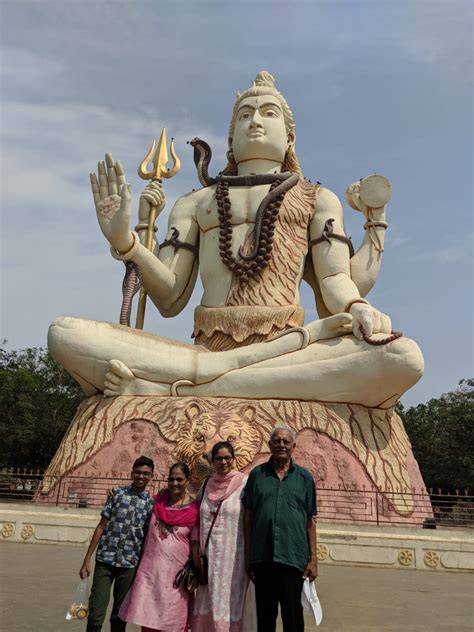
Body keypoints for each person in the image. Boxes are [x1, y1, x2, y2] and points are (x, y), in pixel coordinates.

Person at [48, 71, 423, 410]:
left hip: (288, 347)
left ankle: (177, 390)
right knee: (65, 334)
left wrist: (357, 306)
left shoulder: (316, 199)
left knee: (402, 357)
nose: (255, 121)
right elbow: (169, 297)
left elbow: (333, 281)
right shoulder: (196, 203)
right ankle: (225, 377)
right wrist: (126, 242)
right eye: (245, 115)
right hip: (203, 350)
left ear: (290, 136)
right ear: (230, 137)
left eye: (268, 113)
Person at [242, 426, 317, 632]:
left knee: (292, 615)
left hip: (293, 557)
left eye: (286, 441)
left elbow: (310, 520)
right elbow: (248, 516)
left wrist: (313, 560)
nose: (281, 445)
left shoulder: (304, 478)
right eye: (277, 441)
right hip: (263, 556)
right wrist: (249, 555)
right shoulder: (257, 475)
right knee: (265, 615)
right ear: (269, 445)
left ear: (294, 446)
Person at [118, 462, 199, 632]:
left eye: (179, 479)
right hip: (150, 574)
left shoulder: (194, 511)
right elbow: (135, 504)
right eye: (171, 479)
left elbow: (197, 544)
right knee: (149, 621)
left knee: (173, 623)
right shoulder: (157, 502)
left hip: (175, 578)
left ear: (187, 480)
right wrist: (116, 494)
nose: (175, 483)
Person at [79, 456, 155, 632]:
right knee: (96, 612)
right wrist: (87, 559)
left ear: (151, 476)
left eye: (146, 474)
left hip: (129, 564)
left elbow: (148, 537)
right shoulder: (117, 494)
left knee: (119, 616)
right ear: (131, 473)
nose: (141, 476)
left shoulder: (151, 504)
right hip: (105, 560)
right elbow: (101, 527)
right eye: (138, 472)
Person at [191, 441, 250, 631]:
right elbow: (193, 512)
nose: (223, 462)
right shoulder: (207, 484)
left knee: (229, 602)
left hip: (234, 559)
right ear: (212, 461)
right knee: (207, 599)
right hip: (207, 557)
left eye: (227, 458)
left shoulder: (244, 483)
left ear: (233, 459)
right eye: (218, 458)